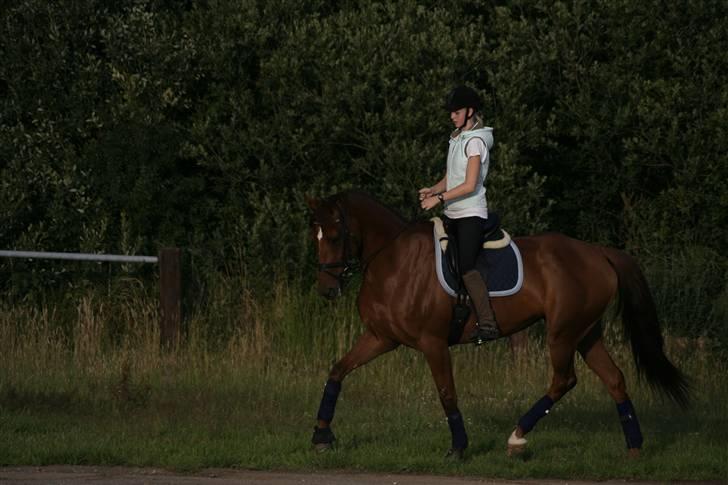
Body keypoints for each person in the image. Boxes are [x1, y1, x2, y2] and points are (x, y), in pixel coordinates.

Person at [419, 85, 500, 344]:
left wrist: (438, 199)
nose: (452, 116)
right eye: (451, 112)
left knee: (465, 265)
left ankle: (487, 323)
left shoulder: (475, 142)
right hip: (453, 212)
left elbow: (469, 184)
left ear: (470, 112)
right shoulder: (457, 137)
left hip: (471, 213)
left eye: (456, 112)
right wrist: (433, 188)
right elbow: (451, 177)